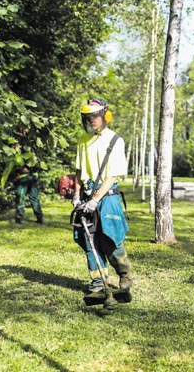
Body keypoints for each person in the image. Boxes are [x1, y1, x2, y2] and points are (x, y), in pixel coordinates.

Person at [72, 98, 132, 297]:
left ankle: (125, 276)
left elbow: (112, 175)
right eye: (88, 118)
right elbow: (79, 171)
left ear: (105, 115)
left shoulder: (115, 140)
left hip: (107, 196)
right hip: (86, 195)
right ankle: (98, 283)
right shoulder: (83, 139)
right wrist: (77, 194)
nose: (92, 121)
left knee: (109, 239)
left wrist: (96, 199)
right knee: (90, 241)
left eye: (95, 116)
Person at [1, 158, 44, 224]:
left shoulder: (17, 156)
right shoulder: (32, 154)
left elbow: (11, 169)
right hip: (32, 178)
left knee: (21, 199)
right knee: (34, 199)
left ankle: (19, 218)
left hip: (23, 179)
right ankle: (40, 218)